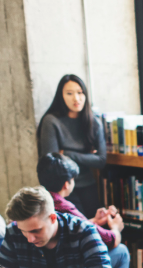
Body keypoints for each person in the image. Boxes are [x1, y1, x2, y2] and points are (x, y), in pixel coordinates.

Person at [37, 153, 129, 268]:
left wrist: (94, 221)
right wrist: (116, 228)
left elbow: (71, 227)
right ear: (67, 184)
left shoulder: (39, 201)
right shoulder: (64, 206)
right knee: (122, 251)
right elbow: (109, 240)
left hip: (48, 267)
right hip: (72, 267)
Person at [37, 73, 106, 214]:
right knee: (77, 228)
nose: (76, 98)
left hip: (88, 183)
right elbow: (53, 163)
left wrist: (68, 154)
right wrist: (87, 156)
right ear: (61, 96)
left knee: (97, 225)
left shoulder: (94, 122)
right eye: (69, 93)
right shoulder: (51, 121)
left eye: (80, 93)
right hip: (63, 188)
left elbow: (101, 160)